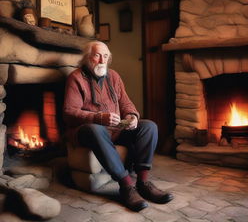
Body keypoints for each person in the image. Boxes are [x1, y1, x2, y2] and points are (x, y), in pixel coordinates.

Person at [63, 41, 173, 211]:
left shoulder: (113, 76)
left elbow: (126, 104)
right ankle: (126, 186)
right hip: (86, 131)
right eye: (97, 55)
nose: (102, 61)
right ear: (87, 58)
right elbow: (69, 112)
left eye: (105, 56)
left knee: (149, 126)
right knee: (95, 129)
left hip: (114, 129)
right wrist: (98, 118)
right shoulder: (75, 78)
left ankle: (143, 182)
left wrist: (132, 116)